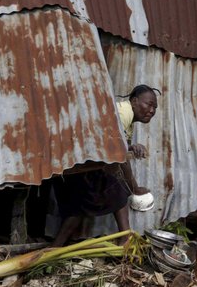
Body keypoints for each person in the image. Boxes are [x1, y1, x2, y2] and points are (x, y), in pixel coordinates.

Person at [51, 84, 160, 246]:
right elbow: (120, 157)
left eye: (155, 107)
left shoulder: (126, 118)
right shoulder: (124, 113)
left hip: (77, 161)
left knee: (81, 206)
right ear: (135, 101)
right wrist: (134, 188)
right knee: (116, 190)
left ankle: (55, 247)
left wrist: (130, 147)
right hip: (78, 162)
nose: (152, 110)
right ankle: (125, 237)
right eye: (149, 104)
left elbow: (117, 146)